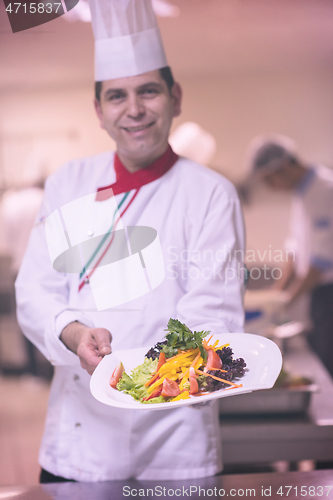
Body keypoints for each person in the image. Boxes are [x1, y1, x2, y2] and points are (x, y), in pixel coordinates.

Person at [15, 0, 245, 482]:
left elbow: (212, 316)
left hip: (174, 442)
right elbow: (35, 291)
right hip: (78, 444)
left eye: (148, 91)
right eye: (117, 97)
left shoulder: (210, 194)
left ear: (175, 97)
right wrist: (76, 335)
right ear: (98, 111)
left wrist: (140, 376)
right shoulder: (69, 183)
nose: (134, 109)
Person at [248, 134, 333, 377]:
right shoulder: (303, 193)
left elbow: (322, 260)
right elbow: (294, 250)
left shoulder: (326, 190)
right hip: (319, 294)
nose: (270, 188)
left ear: (282, 168)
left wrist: (286, 301)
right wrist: (277, 293)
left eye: (268, 180)